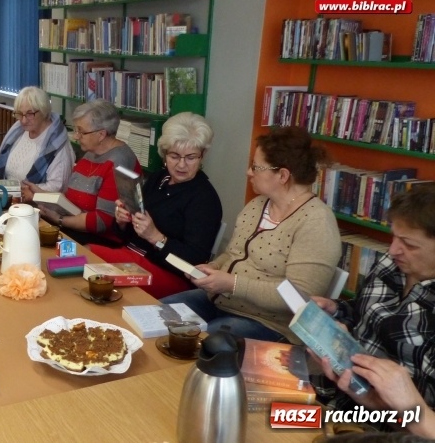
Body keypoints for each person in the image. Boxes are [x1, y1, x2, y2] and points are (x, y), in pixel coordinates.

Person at [162, 126, 341, 342]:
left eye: (256, 167)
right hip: (220, 301)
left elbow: (299, 297)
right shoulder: (257, 205)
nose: (249, 172)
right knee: (159, 314)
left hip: (270, 324)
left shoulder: (316, 223)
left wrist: (232, 284)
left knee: (210, 342)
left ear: (282, 175)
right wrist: (213, 268)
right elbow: (233, 254)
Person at [312, 186, 435, 438]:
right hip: (332, 394)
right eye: (394, 236)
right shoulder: (391, 263)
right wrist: (336, 309)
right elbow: (361, 310)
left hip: (382, 429)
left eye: (409, 244)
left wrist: (377, 403)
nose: (393, 250)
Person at [88, 112, 223, 300]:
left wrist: (157, 238)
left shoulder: (204, 199)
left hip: (169, 275)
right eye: (174, 156)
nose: (181, 165)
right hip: (132, 258)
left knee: (88, 262)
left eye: (191, 157)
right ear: (164, 153)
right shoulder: (159, 179)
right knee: (83, 258)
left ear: (202, 156)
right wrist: (122, 221)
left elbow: (194, 261)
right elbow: (126, 237)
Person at [36, 99, 141, 246]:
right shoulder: (92, 151)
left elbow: (102, 222)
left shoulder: (119, 162)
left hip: (101, 241)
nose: (76, 136)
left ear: (101, 134)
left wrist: (59, 220)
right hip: (75, 229)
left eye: (81, 131)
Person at [0, 86, 74, 203]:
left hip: (38, 208)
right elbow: (0, 161)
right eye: (19, 114)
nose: (24, 120)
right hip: (8, 199)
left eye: (30, 114)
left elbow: (57, 188)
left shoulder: (59, 146)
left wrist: (21, 192)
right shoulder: (18, 130)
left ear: (44, 111)